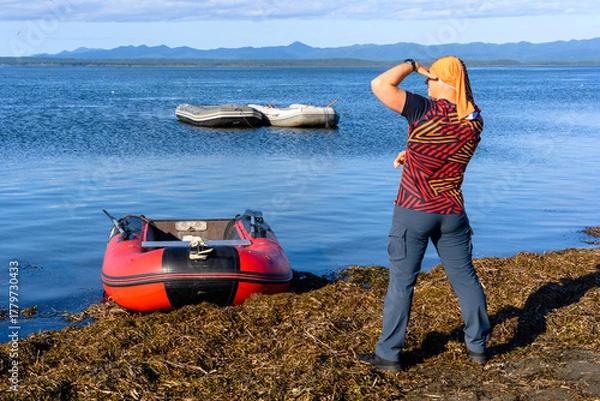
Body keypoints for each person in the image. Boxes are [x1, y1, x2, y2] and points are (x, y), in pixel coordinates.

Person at [357, 56, 491, 371]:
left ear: (445, 81)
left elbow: (380, 85)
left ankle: (388, 355)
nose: (426, 83)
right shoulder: (473, 120)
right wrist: (412, 153)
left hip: (414, 210)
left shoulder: (423, 109)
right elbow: (446, 154)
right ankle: (478, 348)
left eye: (430, 78)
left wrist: (410, 64)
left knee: (402, 283)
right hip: (453, 212)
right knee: (465, 279)